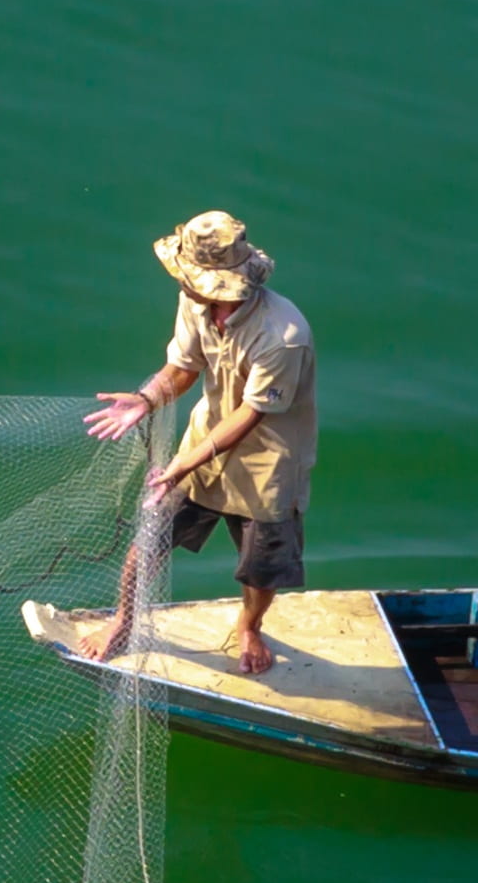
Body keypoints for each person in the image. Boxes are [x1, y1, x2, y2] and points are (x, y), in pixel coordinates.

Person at [86, 209, 313, 673]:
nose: (184, 284)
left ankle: (250, 625)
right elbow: (185, 367)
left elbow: (252, 414)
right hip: (202, 443)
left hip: (267, 466)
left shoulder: (284, 337)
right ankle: (124, 621)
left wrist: (183, 464)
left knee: (261, 568)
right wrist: (146, 399)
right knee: (149, 540)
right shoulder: (194, 302)